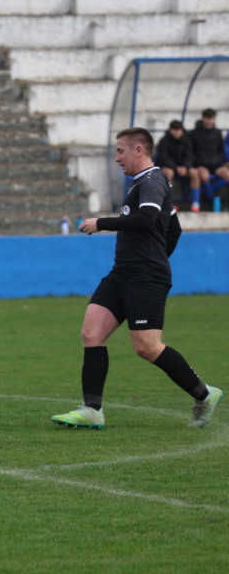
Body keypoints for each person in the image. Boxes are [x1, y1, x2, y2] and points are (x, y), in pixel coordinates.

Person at [52, 127, 222, 430]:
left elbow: (145, 220)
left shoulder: (153, 180)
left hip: (145, 277)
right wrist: (156, 254)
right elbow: (175, 229)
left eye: (120, 151)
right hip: (122, 273)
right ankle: (92, 409)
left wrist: (102, 223)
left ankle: (204, 393)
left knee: (146, 346)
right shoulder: (140, 184)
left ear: (139, 150)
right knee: (92, 333)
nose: (117, 157)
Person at [155, 120, 200, 211]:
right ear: (170, 130)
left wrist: (186, 166)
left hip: (184, 168)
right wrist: (176, 167)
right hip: (169, 167)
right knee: (169, 173)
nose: (176, 132)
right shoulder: (164, 141)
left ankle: (196, 203)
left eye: (179, 130)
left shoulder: (187, 140)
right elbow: (163, 158)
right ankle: (169, 203)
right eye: (174, 130)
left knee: (194, 172)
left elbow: (190, 156)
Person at [188, 108, 229, 206]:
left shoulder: (217, 133)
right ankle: (209, 199)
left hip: (216, 164)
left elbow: (220, 150)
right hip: (200, 164)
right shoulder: (194, 133)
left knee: (227, 175)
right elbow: (190, 151)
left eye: (212, 119)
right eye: (208, 118)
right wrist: (194, 164)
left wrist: (223, 162)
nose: (210, 121)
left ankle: (207, 195)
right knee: (204, 176)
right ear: (203, 118)